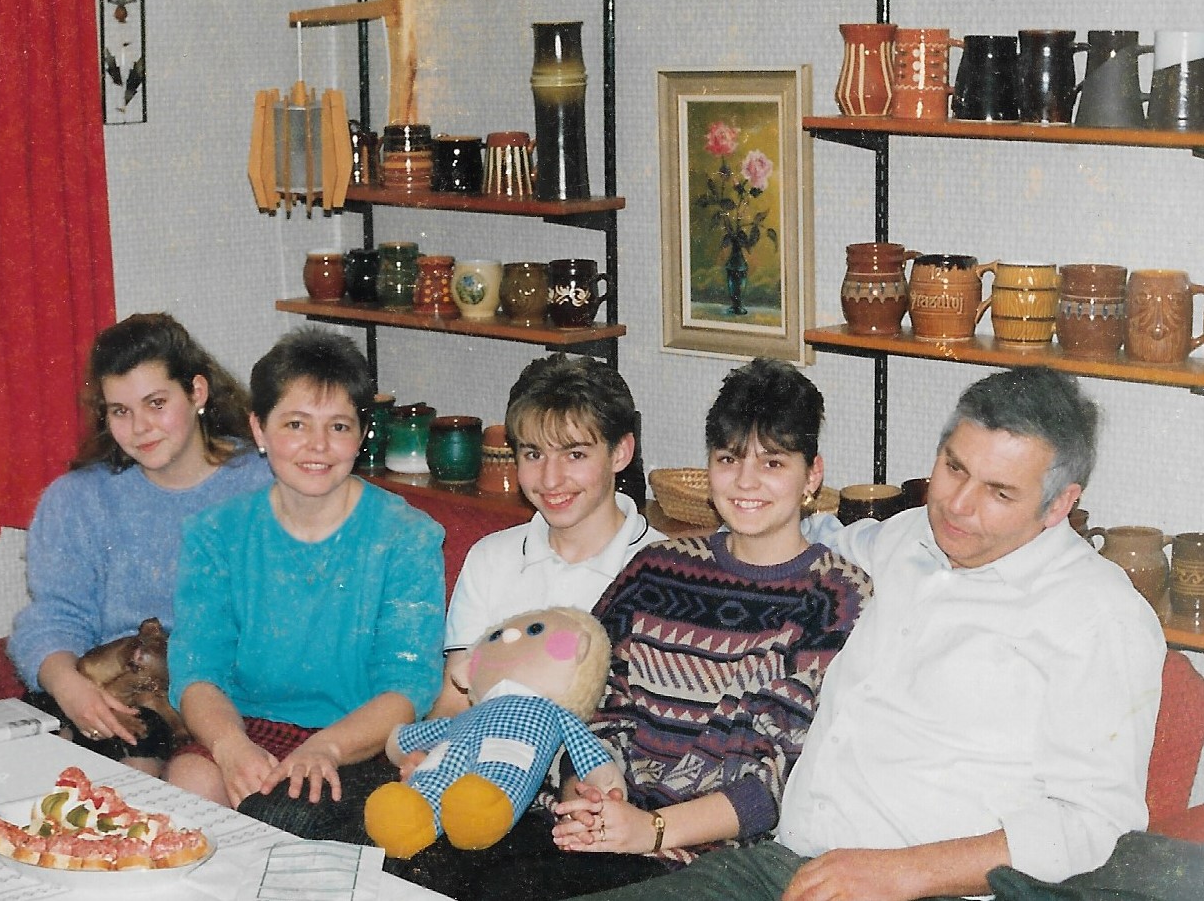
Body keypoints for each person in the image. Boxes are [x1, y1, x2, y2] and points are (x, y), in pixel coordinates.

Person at [573, 366, 1166, 901]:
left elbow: (1094, 823)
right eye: (954, 467)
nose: (958, 506)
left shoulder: (1099, 616)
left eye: (999, 492)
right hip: (779, 864)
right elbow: (790, 541)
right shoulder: (905, 538)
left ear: (1060, 504)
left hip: (926, 890)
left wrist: (904, 873)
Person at [387, 358, 872, 901]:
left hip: (694, 853)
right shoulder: (658, 566)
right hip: (585, 815)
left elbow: (777, 775)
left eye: (773, 463)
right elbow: (589, 704)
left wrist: (649, 830)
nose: (745, 481)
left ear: (812, 475)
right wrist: (586, 794)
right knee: (408, 867)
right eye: (728, 459)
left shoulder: (835, 594)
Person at [163, 326, 445, 815]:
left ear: (362, 433)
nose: (318, 445)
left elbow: (407, 686)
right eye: (296, 424)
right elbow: (197, 670)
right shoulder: (216, 534)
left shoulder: (407, 537)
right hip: (245, 726)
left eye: (338, 427)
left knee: (295, 811)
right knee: (191, 781)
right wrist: (230, 747)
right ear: (259, 429)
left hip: (358, 739)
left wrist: (326, 748)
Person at [7, 312, 273, 775]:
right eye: (120, 411)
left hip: (222, 699)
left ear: (197, 392)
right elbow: (54, 615)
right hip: (113, 689)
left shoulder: (264, 483)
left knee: (139, 781)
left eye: (156, 403)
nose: (140, 427)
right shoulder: (78, 499)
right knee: (35, 769)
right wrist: (70, 688)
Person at [433, 352, 666, 720]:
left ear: (620, 453)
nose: (551, 479)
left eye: (575, 455)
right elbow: (455, 700)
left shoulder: (665, 567)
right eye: (533, 454)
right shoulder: (490, 558)